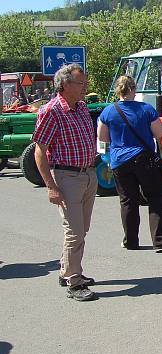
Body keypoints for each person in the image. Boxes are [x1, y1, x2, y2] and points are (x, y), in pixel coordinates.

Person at [32, 64, 98, 302]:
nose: (85, 88)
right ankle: (74, 280)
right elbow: (40, 150)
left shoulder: (80, 107)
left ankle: (66, 270)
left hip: (88, 174)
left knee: (82, 228)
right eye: (81, 83)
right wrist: (51, 185)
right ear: (65, 85)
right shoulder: (51, 111)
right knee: (75, 231)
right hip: (67, 177)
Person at [98, 76, 162, 252]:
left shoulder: (108, 111)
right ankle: (160, 240)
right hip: (144, 159)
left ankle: (130, 241)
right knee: (155, 197)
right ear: (133, 89)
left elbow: (103, 137)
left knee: (128, 201)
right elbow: (159, 132)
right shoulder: (146, 109)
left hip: (119, 160)